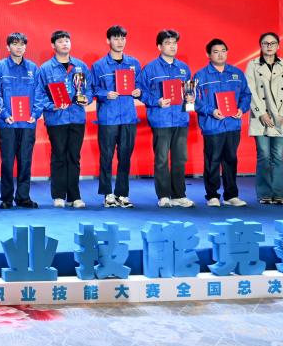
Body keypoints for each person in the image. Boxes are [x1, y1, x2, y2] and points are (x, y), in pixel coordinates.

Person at [136, 29, 195, 208]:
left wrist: (191, 99)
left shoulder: (184, 68)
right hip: (161, 120)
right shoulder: (150, 68)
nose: (172, 46)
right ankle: (163, 195)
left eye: (174, 43)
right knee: (161, 159)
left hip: (181, 119)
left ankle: (179, 195)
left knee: (180, 159)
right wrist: (157, 101)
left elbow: (190, 92)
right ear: (159, 46)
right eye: (168, 43)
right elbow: (140, 91)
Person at [34, 30, 91, 209]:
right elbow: (38, 94)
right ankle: (58, 195)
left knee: (74, 156)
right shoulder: (45, 69)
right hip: (56, 119)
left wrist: (87, 98)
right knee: (59, 155)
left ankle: (75, 196)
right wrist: (52, 106)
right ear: (53, 45)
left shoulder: (80, 66)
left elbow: (90, 89)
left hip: (77, 117)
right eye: (60, 41)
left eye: (67, 41)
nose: (65, 44)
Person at [194, 38, 252, 207]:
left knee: (231, 160)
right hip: (212, 126)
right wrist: (211, 111)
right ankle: (212, 195)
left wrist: (241, 108)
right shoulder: (200, 76)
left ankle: (231, 195)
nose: (220, 55)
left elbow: (246, 95)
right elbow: (194, 100)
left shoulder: (237, 73)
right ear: (208, 54)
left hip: (232, 125)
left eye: (223, 51)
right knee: (212, 161)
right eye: (216, 52)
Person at [90, 25, 142, 209]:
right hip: (108, 117)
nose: (120, 42)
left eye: (122, 38)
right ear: (108, 41)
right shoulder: (99, 66)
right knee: (106, 157)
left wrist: (138, 91)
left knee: (125, 156)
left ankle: (122, 194)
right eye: (116, 38)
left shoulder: (133, 63)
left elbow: (141, 85)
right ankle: (107, 194)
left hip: (128, 117)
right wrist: (105, 94)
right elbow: (92, 89)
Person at [247, 32, 283, 205]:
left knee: (278, 156)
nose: (269, 46)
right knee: (264, 155)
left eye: (272, 43)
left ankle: (279, 194)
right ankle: (265, 194)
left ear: (278, 46)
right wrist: (261, 113)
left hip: (281, 117)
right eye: (265, 43)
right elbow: (250, 90)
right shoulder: (252, 65)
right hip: (261, 117)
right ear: (260, 46)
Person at [0, 32, 39, 209]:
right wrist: (4, 114)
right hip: (8, 123)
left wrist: (35, 113)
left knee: (25, 160)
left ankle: (23, 197)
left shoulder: (33, 68)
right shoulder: (0, 67)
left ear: (25, 47)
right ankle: (6, 198)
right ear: (8, 47)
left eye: (21, 44)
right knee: (7, 161)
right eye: (15, 44)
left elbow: (40, 93)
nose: (19, 47)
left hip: (28, 123)